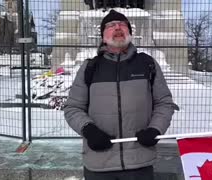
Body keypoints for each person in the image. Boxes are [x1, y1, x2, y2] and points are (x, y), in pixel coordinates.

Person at [64, 10, 179, 180]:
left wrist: (155, 129)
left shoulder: (147, 64)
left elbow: (164, 103)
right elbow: (73, 108)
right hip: (99, 163)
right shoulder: (90, 68)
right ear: (103, 37)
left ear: (130, 34)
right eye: (111, 25)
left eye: (123, 24)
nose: (118, 27)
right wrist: (89, 130)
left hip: (139, 163)